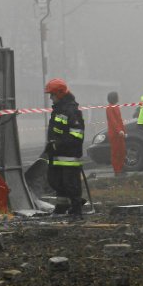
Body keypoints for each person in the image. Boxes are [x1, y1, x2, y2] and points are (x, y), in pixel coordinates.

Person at [43, 78, 86, 217]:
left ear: (60, 93)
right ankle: (61, 206)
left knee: (70, 183)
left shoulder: (71, 111)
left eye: (52, 94)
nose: (51, 97)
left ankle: (76, 209)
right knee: (56, 182)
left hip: (69, 155)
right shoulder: (59, 109)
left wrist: (59, 143)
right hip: (57, 153)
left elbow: (77, 134)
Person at [105, 91, 126, 176]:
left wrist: (123, 130)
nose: (118, 98)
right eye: (117, 96)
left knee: (122, 151)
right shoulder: (109, 108)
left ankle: (121, 168)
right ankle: (117, 170)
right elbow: (113, 121)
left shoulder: (116, 107)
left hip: (120, 133)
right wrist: (119, 130)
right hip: (114, 134)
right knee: (116, 152)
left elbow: (120, 120)